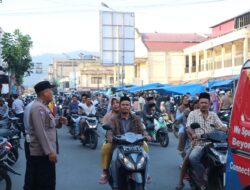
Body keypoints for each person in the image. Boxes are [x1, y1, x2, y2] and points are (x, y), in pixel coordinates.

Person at [98, 96, 151, 189]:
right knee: (114, 159)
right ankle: (115, 183)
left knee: (146, 156)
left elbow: (142, 130)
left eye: (127, 105)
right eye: (123, 105)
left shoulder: (136, 118)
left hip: (135, 144)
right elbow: (110, 130)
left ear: (130, 106)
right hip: (119, 145)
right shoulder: (114, 119)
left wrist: (146, 135)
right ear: (120, 106)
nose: (125, 106)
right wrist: (110, 137)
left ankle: (146, 176)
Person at [26, 81, 67, 190]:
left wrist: (59, 121)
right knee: (44, 184)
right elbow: (41, 132)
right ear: (45, 93)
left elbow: (48, 125)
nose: (52, 93)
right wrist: (50, 152)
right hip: (42, 154)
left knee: (47, 183)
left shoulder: (43, 107)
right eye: (50, 90)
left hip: (44, 153)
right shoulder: (38, 108)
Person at [186, 92, 227, 189]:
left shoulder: (213, 115)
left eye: (206, 103)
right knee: (193, 157)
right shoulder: (193, 114)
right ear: (198, 103)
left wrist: (226, 129)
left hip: (214, 142)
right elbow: (188, 127)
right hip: (200, 142)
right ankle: (202, 178)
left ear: (209, 104)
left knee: (225, 158)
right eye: (201, 103)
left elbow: (221, 126)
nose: (204, 104)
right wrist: (193, 134)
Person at [99, 97, 120, 183]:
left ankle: (146, 172)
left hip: (129, 141)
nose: (115, 104)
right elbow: (104, 128)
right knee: (105, 147)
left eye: (117, 102)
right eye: (113, 103)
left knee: (144, 145)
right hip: (114, 140)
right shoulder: (108, 115)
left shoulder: (128, 113)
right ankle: (105, 171)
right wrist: (109, 136)